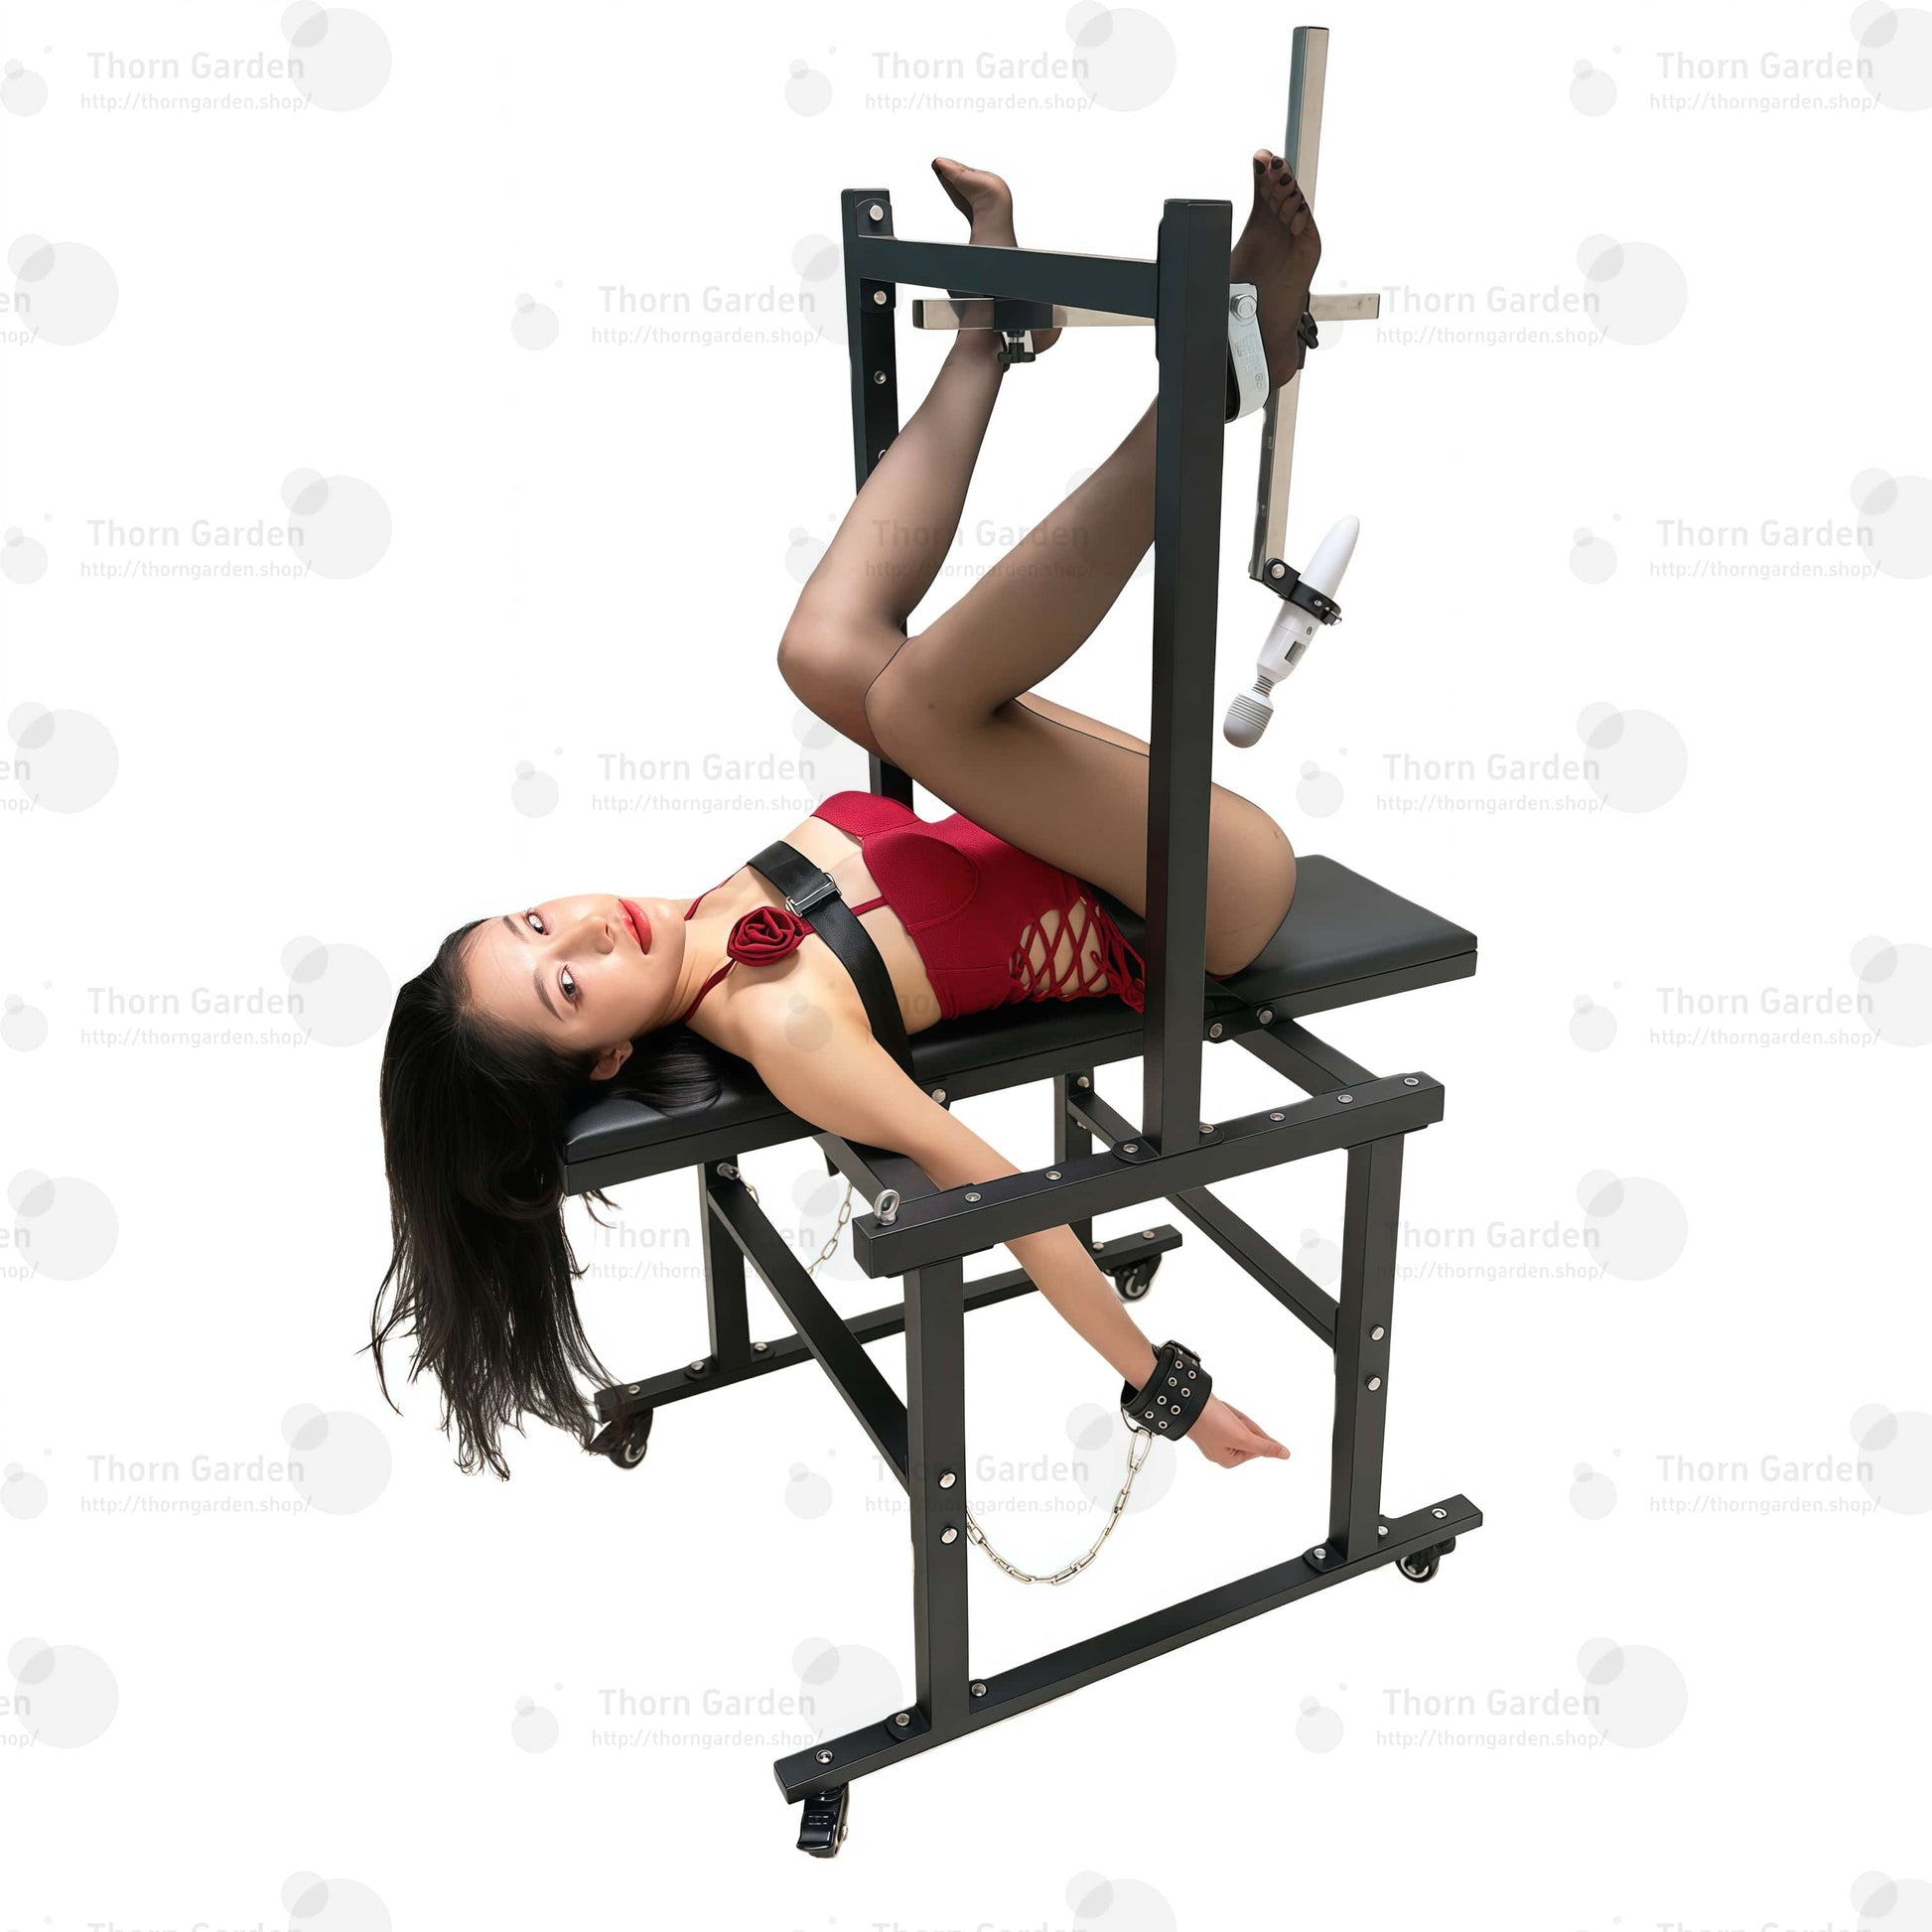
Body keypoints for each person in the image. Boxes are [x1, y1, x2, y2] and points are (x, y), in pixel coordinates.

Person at [373, 152, 1320, 1479]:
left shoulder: (704, 915)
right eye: (568, 986)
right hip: (1204, 898)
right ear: (604, 1058)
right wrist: (1165, 1387)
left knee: (820, 653)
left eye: (539, 922)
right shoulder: (784, 1025)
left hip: (1122, 837)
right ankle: (1219, 377)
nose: (586, 928)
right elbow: (995, 1185)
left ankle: (991, 334)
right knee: (916, 706)